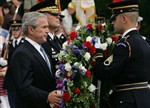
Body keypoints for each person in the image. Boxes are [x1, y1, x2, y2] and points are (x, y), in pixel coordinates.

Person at [94, 0, 150, 108]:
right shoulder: (145, 42)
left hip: (127, 101)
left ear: (124, 19)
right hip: (144, 99)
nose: (112, 22)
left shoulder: (124, 45)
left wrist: (98, 52)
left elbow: (104, 72)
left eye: (114, 18)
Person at [10, 12, 62, 108]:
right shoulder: (22, 53)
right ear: (31, 30)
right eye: (44, 27)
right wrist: (47, 96)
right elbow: (24, 88)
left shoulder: (42, 49)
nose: (47, 31)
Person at [30, 1, 65, 72]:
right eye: (53, 14)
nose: (58, 16)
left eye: (57, 14)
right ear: (41, 16)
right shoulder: (40, 41)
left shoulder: (57, 40)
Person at [4, 19, 25, 108]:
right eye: (13, 29)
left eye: (17, 29)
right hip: (11, 81)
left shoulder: (25, 44)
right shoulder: (9, 44)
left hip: (21, 80)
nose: (15, 31)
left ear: (21, 30)